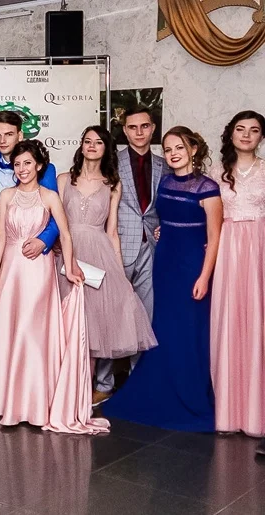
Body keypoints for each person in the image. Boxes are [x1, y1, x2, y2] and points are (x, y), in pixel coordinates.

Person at [0, 139, 107, 434]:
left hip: (38, 270)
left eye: (27, 163)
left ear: (38, 165)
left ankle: (35, 404)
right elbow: (0, 235)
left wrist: (71, 266)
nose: (22, 169)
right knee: (10, 331)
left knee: (31, 331)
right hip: (11, 270)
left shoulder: (49, 196)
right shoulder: (6, 195)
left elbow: (66, 234)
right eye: (17, 164)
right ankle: (7, 402)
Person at [103, 126, 222, 432]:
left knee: (189, 331)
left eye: (179, 147)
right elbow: (163, 218)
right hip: (165, 262)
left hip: (191, 266)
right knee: (164, 327)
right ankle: (162, 388)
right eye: (168, 149)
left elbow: (214, 238)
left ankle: (190, 394)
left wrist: (204, 277)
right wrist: (161, 230)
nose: (173, 154)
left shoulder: (208, 188)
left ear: (193, 149)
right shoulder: (166, 182)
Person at [56, 126, 157, 377]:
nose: (92, 146)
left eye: (98, 142)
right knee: (65, 320)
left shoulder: (112, 184)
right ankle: (66, 386)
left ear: (106, 148)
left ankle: (89, 387)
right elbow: (54, 221)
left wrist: (120, 273)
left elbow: (112, 231)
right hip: (67, 252)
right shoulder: (63, 179)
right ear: (81, 146)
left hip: (99, 253)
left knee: (94, 321)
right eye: (87, 141)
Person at [95, 105, 171, 405]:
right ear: (124, 131)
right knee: (109, 314)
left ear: (153, 128)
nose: (139, 132)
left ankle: (141, 382)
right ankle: (104, 383)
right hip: (116, 246)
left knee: (145, 318)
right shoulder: (111, 160)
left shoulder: (165, 164)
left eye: (145, 126)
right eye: (132, 127)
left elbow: (170, 203)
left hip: (151, 248)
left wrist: (165, 226)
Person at [207, 110, 265, 438]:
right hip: (227, 247)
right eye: (240, 129)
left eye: (254, 130)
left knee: (257, 320)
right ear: (231, 134)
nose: (246, 135)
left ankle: (257, 412)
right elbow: (204, 215)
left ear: (261, 137)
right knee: (227, 319)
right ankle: (228, 411)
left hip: (259, 248)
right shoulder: (216, 172)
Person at [0, 110, 59, 346]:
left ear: (20, 134)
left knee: (31, 313)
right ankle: (3, 362)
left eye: (8, 134)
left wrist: (43, 241)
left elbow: (57, 215)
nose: (2, 140)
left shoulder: (45, 168)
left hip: (31, 248)